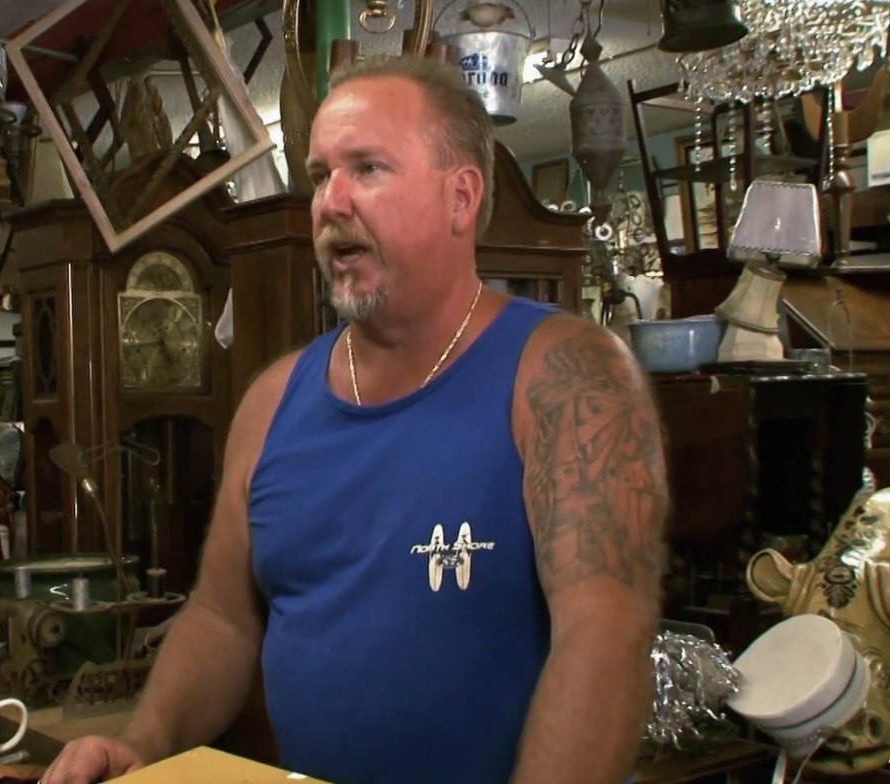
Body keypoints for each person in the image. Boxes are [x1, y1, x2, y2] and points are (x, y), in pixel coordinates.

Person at [42, 54, 667, 784]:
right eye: (319, 175)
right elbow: (222, 617)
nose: (330, 203)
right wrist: (145, 741)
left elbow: (604, 640)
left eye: (368, 168)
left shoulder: (566, 377)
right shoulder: (273, 401)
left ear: (461, 198)